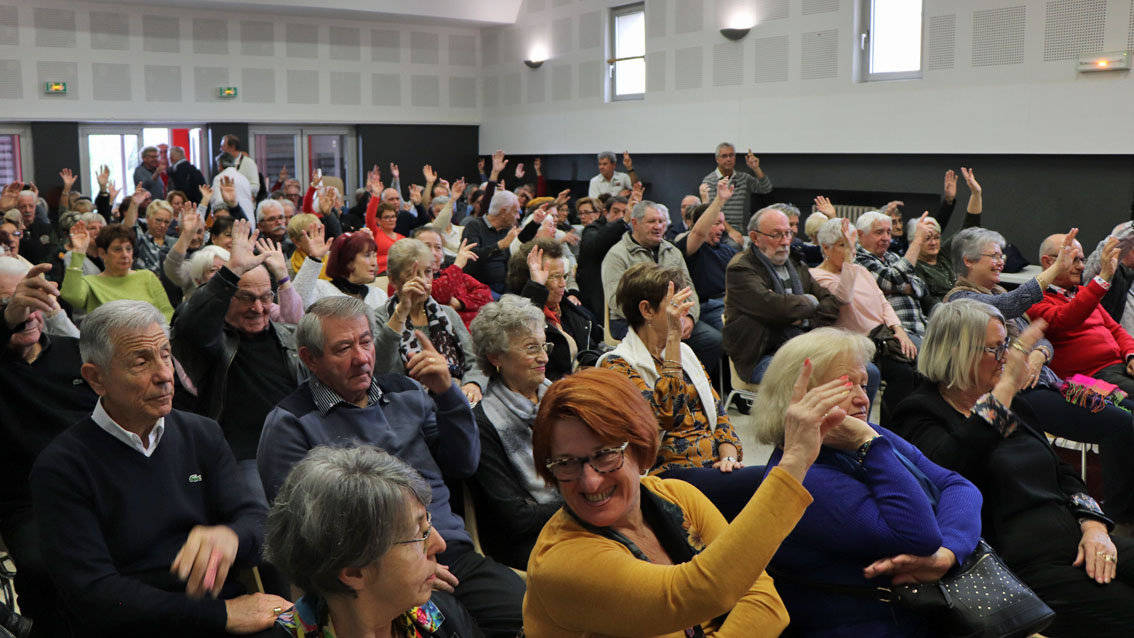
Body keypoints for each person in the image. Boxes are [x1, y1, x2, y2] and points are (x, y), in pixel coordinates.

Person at [257, 296, 526, 638]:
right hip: (369, 578)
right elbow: (305, 533)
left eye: (366, 342)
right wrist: (403, 568)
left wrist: (447, 395)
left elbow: (463, 463)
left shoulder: (407, 391)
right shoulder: (291, 423)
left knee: (529, 617)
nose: (362, 358)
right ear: (310, 358)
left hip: (447, 551)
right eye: (343, 349)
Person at [523, 365, 847, 637]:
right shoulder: (559, 562)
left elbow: (763, 597)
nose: (590, 480)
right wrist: (792, 464)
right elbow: (702, 591)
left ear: (639, 446)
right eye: (565, 463)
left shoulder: (676, 496)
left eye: (606, 455)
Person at [30, 300, 289, 637]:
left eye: (166, 354)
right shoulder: (62, 467)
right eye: (141, 362)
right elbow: (95, 594)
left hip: (216, 611)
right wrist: (219, 614)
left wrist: (231, 536)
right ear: (96, 379)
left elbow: (256, 522)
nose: (166, 375)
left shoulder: (202, 433)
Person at [892, 299, 1134, 636]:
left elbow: (1061, 473)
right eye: (995, 349)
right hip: (1017, 565)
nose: (1006, 357)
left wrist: (1094, 525)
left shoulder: (1012, 404)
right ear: (955, 352)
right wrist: (1004, 391)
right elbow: (954, 471)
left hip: (1075, 538)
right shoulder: (921, 414)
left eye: (1006, 345)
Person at [753, 327, 982, 636]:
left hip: (928, 612)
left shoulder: (869, 434)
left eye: (864, 383)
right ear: (800, 397)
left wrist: (949, 552)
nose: (863, 398)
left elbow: (961, 486)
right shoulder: (806, 478)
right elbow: (919, 535)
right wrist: (869, 443)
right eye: (845, 386)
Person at [946, 227, 1134, 524]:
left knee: (1125, 405)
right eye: (993, 256)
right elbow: (1015, 311)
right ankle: (1120, 518)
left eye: (1000, 255)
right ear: (969, 261)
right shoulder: (962, 300)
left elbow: (1043, 337)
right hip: (1023, 395)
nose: (1001, 262)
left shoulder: (999, 292)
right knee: (1120, 422)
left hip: (1060, 383)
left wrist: (1038, 352)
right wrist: (1025, 347)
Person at [600, 263, 761, 520]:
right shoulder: (618, 364)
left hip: (713, 468)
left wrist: (728, 456)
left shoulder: (685, 353)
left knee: (775, 487)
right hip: (663, 475)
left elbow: (719, 414)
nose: (686, 311)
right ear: (646, 310)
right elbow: (664, 417)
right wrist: (674, 338)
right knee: (770, 482)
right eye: (675, 304)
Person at [264, 445, 478, 638]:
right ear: (354, 572)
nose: (439, 544)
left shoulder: (442, 617)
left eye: (428, 524)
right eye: (418, 533)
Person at [171, 219, 308, 505]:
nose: (257, 308)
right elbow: (189, 324)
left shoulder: (286, 337)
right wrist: (231, 271)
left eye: (264, 298)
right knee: (264, 517)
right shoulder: (212, 340)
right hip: (245, 454)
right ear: (226, 298)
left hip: (299, 444)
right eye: (245, 298)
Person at [0, 262, 93, 636]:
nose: (27, 312)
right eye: (11, 302)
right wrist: (8, 316)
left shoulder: (77, 352)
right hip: (29, 498)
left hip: (102, 482)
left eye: (32, 298)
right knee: (44, 568)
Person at [466, 295, 563, 570]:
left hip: (583, 516)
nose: (544, 357)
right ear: (496, 357)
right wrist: (580, 499)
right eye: (531, 348)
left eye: (544, 346)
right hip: (529, 542)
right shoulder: (483, 424)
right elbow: (515, 517)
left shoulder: (561, 399)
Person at [809, 217, 919, 422]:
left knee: (919, 366)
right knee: (901, 373)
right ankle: (875, 429)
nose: (850, 251)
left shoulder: (861, 271)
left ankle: (901, 430)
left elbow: (882, 301)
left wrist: (899, 330)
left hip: (882, 339)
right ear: (826, 248)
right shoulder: (817, 276)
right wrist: (851, 261)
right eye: (843, 246)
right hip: (854, 344)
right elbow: (844, 297)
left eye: (852, 246)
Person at [602, 199, 723, 378]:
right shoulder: (617, 255)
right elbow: (617, 301)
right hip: (633, 320)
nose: (658, 226)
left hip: (675, 318)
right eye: (652, 221)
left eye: (661, 222)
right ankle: (659, 387)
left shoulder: (673, 251)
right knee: (661, 341)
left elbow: (689, 290)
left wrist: (689, 317)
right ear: (635, 223)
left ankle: (689, 386)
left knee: (713, 341)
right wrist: (661, 321)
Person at [723, 206, 840, 383]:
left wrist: (803, 318)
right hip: (761, 356)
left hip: (802, 347)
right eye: (776, 235)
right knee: (811, 380)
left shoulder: (795, 262)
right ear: (755, 238)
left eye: (788, 234)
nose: (785, 241)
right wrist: (809, 301)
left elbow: (831, 303)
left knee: (865, 371)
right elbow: (774, 307)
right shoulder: (741, 268)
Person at [374, 238, 486, 404]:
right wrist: (403, 310)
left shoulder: (447, 313)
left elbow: (474, 361)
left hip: (457, 397)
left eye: (427, 272)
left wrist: (473, 384)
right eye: (410, 274)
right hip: (408, 404)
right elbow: (380, 370)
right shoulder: (379, 318)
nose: (423, 281)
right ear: (393, 280)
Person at [1027, 231, 1134, 395]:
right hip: (1089, 379)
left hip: (1120, 366)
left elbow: (1115, 329)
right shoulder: (1034, 298)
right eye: (1074, 259)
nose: (1081, 266)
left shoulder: (1082, 292)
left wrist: (1131, 355)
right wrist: (1103, 278)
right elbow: (1066, 318)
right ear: (1048, 262)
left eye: (1082, 260)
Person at [507, 239, 602, 379]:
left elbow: (591, 348)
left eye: (564, 276)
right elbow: (522, 329)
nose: (563, 284)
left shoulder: (567, 309)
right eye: (555, 277)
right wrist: (536, 287)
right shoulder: (511, 314)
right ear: (531, 279)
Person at [62, 221, 175, 322]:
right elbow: (72, 297)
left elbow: (167, 313)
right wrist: (79, 252)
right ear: (102, 253)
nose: (125, 255)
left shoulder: (147, 276)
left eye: (128, 249)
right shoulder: (91, 282)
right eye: (118, 249)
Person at [855, 210, 933, 344]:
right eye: (879, 232)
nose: (886, 238)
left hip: (921, 328)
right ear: (860, 235)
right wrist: (918, 241)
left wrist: (899, 286)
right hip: (895, 333)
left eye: (888, 232)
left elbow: (922, 286)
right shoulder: (858, 259)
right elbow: (892, 279)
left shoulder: (892, 256)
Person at [912, 167, 984, 304]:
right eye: (927, 238)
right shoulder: (916, 268)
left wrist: (976, 194)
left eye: (937, 237)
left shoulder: (944, 254)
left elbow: (969, 229)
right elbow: (929, 303)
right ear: (914, 241)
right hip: (947, 316)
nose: (933, 242)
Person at [676, 179, 738, 331]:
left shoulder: (728, 250)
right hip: (708, 307)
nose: (722, 228)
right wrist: (719, 200)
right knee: (737, 332)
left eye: (723, 223)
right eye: (716, 223)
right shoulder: (691, 248)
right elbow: (698, 233)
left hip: (732, 303)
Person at [294, 224, 389, 311]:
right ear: (347, 260)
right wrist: (314, 259)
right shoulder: (321, 289)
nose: (374, 263)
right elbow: (295, 305)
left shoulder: (379, 295)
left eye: (374, 255)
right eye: (367, 255)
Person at [413, 225, 493, 330]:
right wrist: (458, 265)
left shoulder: (453, 274)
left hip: (479, 331)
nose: (433, 253)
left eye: (438, 247)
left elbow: (487, 296)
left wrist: (460, 303)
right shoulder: (414, 280)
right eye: (427, 246)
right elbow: (439, 295)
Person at [700, 142, 773, 240]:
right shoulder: (709, 180)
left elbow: (766, 188)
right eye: (724, 156)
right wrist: (730, 231)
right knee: (733, 246)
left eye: (731, 155)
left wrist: (756, 168)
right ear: (717, 159)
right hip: (715, 228)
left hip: (737, 228)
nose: (728, 159)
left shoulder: (743, 178)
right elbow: (713, 211)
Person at [364, 200, 405, 274]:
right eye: (387, 217)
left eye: (393, 216)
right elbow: (370, 217)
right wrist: (375, 196)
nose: (391, 219)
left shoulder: (402, 238)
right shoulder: (375, 233)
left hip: (400, 273)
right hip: (381, 273)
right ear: (378, 220)